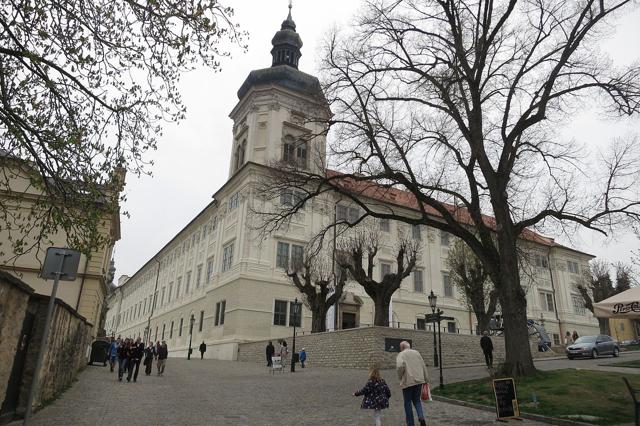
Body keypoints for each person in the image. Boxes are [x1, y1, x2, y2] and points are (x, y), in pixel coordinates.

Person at [396, 341, 429, 426]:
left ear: (402, 347)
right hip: (419, 380)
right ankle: (421, 416)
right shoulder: (417, 353)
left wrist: (400, 377)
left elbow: (400, 366)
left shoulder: (401, 354)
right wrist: (426, 379)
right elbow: (423, 365)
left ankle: (410, 424)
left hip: (408, 381)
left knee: (407, 403)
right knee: (417, 401)